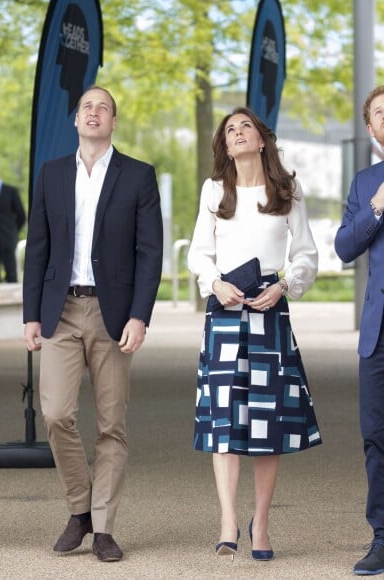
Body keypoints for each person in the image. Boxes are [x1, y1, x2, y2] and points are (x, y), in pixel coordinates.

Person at [23, 86, 163, 562]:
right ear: (76, 120)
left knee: (111, 424)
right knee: (57, 414)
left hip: (113, 311)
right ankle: (80, 507)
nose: (94, 112)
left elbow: (150, 253)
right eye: (87, 106)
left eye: (103, 107)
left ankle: (102, 527)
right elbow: (36, 247)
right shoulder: (51, 174)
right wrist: (30, 315)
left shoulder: (139, 176)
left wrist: (140, 315)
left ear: (113, 122)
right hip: (59, 310)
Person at [187, 106, 322, 562]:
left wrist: (285, 285)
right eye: (230, 129)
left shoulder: (288, 190)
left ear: (262, 140)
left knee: (267, 425)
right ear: (225, 145)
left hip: (269, 312)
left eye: (246, 127)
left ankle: (260, 524)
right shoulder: (212, 191)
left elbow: (306, 255)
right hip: (224, 311)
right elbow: (198, 254)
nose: (238, 133)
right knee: (224, 420)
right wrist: (214, 283)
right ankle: (228, 521)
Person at [335, 85, 384, 576]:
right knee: (376, 435)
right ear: (371, 130)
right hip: (379, 332)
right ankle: (382, 536)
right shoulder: (365, 182)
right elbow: (344, 247)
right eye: (379, 114)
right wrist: (376, 207)